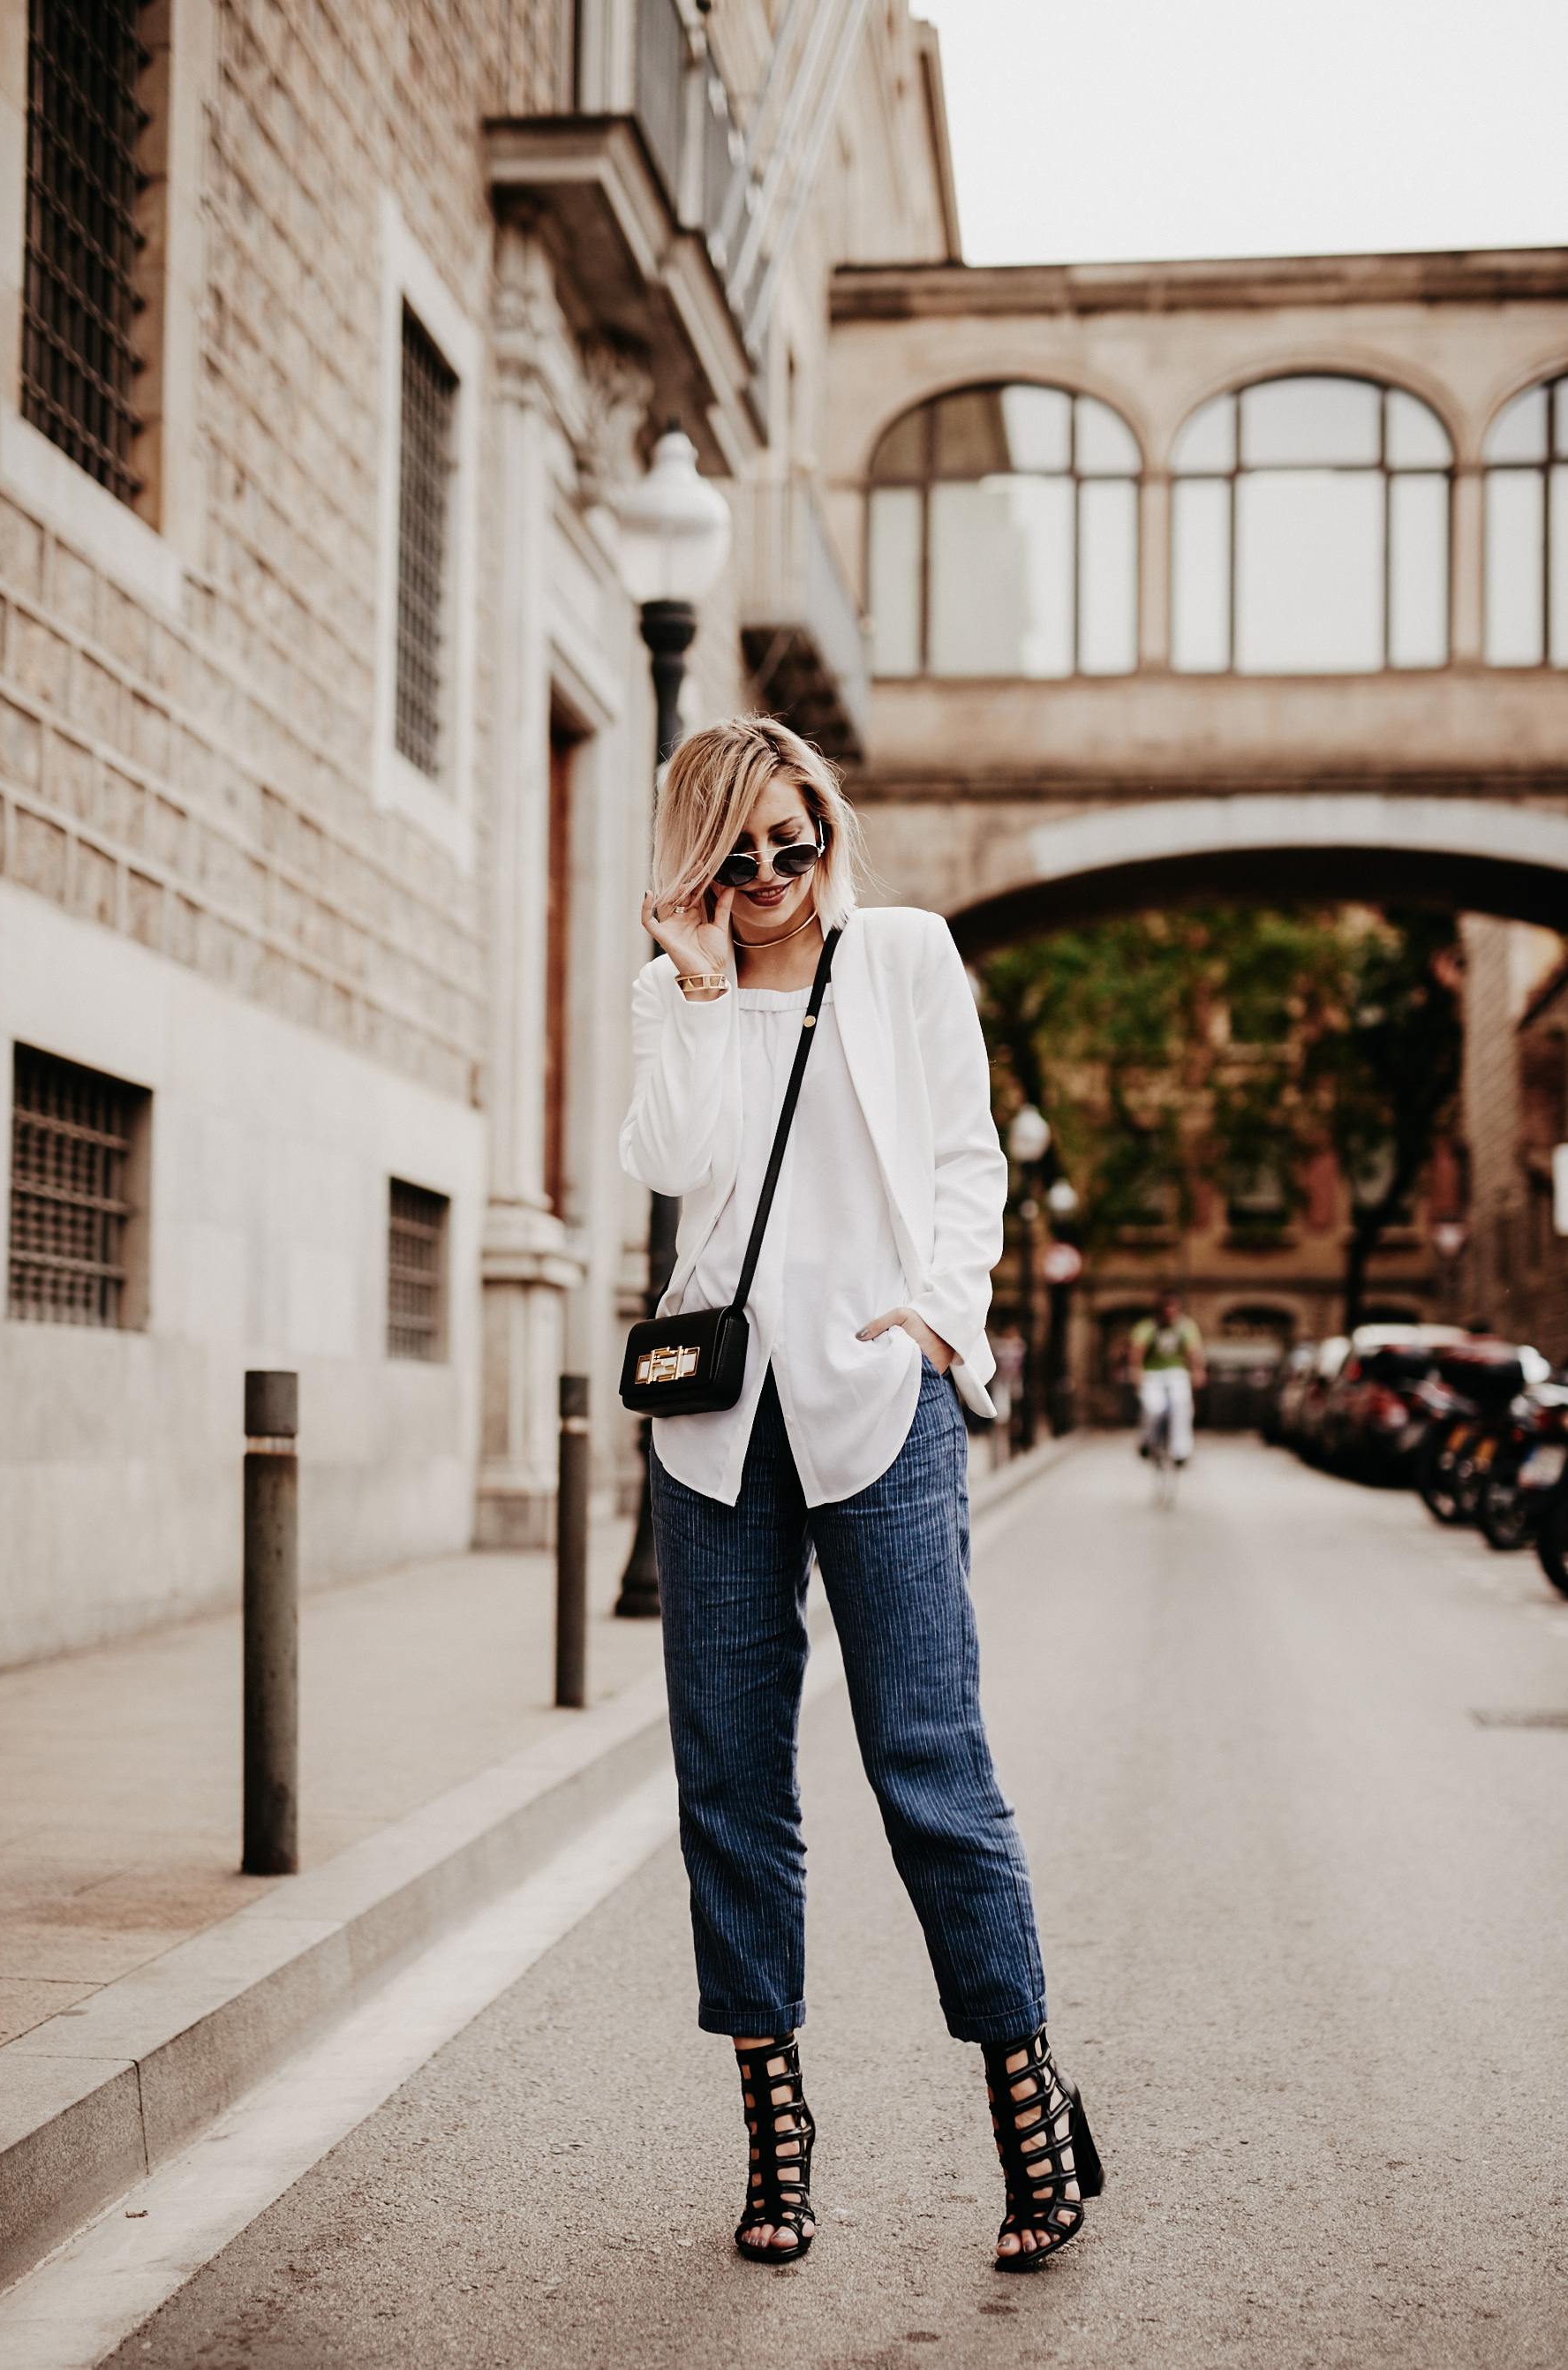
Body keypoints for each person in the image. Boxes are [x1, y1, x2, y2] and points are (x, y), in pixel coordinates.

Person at [621, 716, 1103, 2274]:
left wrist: (938, 1315)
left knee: (926, 1761)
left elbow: (967, 1159)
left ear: (828, 830)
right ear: (698, 862)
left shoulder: (899, 957)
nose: (769, 876)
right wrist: (695, 983)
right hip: (716, 1430)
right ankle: (776, 2121)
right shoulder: (674, 988)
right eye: (736, 852)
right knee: (729, 1783)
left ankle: (1025, 2100)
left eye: (792, 841)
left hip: (877, 1405)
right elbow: (666, 1155)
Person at [1127, 1289, 1207, 1465]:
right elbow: (1136, 1351)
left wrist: (1198, 1371)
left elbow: (1194, 1351)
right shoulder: (1147, 1326)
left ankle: (1181, 1450)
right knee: (1153, 1408)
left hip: (1177, 1373)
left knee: (1181, 1405)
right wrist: (1136, 1372)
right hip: (1152, 1375)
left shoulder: (1186, 1326)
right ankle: (1148, 1441)